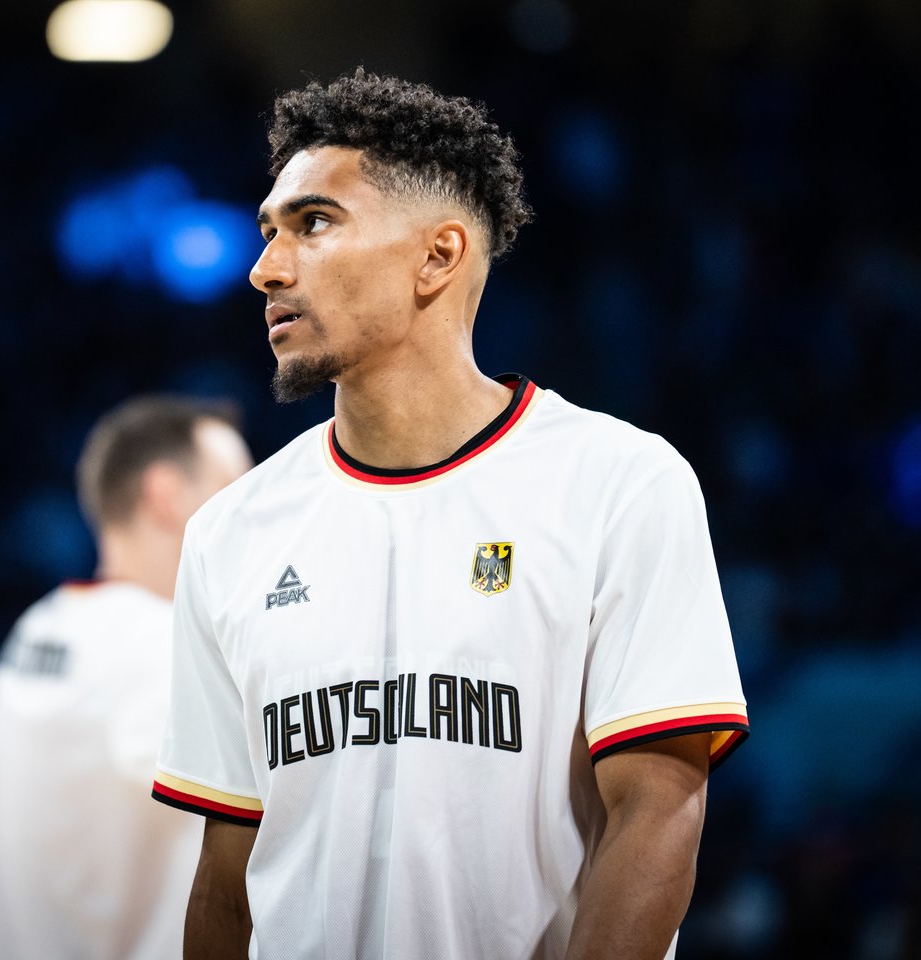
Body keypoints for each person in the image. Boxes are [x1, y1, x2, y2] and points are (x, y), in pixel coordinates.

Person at [152, 69, 749, 960]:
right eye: (270, 231)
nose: (265, 268)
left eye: (314, 224)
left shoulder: (620, 483)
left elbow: (659, 812)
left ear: (438, 256)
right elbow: (226, 876)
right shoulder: (227, 533)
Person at [0, 396, 253, 959]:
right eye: (234, 489)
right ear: (166, 495)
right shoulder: (169, 649)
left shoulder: (38, 627)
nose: (252, 515)